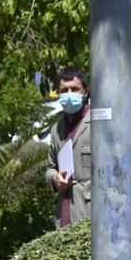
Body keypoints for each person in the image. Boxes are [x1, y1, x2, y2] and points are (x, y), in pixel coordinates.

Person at [44, 67, 92, 228]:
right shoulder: (57, 129)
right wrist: (54, 178)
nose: (70, 94)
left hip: (91, 217)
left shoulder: (99, 124)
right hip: (63, 219)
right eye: (65, 90)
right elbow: (50, 167)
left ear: (85, 92)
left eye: (75, 89)